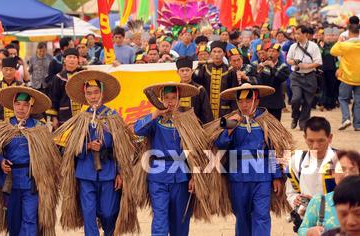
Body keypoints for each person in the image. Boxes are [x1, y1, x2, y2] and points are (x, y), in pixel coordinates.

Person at [55, 70, 138, 236]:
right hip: (85, 174)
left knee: (108, 213)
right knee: (89, 214)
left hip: (109, 173)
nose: (93, 97)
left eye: (96, 92)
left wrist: (120, 172)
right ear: (84, 95)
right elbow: (69, 147)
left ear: (102, 93)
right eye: (89, 93)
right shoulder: (80, 118)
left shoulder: (113, 117)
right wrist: (86, 146)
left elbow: (122, 148)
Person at [209, 83, 293, 236]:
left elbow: (276, 150)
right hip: (238, 177)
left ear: (257, 101)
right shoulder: (231, 120)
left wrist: (277, 176)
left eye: (248, 101)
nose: (244, 105)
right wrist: (228, 131)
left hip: (262, 178)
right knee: (241, 216)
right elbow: (219, 145)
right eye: (240, 102)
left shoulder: (268, 122)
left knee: (261, 216)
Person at [0, 86, 61, 236]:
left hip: (32, 182)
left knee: (29, 219)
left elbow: (50, 157)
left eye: (25, 105)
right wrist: (1, 162)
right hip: (10, 183)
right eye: (18, 104)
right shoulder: (3, 127)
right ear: (13, 105)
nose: (21, 108)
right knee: (13, 221)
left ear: (31, 107)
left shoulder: (39, 128)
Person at [134, 82, 214, 236]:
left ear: (179, 99)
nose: (170, 102)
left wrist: (195, 177)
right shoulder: (155, 121)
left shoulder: (189, 120)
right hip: (158, 176)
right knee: (160, 220)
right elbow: (138, 130)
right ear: (161, 100)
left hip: (182, 177)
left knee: (180, 222)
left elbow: (198, 152)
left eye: (173, 98)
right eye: (166, 98)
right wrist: (155, 113)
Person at [286, 117, 337, 220]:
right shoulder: (296, 161)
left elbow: (351, 197)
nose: (315, 146)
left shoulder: (343, 162)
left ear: (330, 137)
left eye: (321, 141)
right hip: (307, 222)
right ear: (305, 137)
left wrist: (317, 204)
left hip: (334, 221)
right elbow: (291, 192)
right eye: (310, 141)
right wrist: (296, 201)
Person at [299, 150, 360, 236]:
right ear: (332, 173)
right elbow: (302, 230)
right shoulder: (319, 201)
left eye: (353, 170)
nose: (347, 174)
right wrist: (310, 232)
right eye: (342, 169)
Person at [287, 25, 323, 129]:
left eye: (298, 33)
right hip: (296, 76)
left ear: (305, 34)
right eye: (295, 33)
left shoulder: (313, 46)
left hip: (310, 76)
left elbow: (318, 62)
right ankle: (295, 116)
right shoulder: (293, 46)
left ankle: (303, 123)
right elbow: (288, 60)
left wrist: (307, 66)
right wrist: (294, 62)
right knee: (295, 99)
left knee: (308, 102)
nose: (296, 36)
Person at [194, 41, 238, 119]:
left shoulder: (230, 70)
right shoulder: (204, 68)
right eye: (214, 52)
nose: (217, 54)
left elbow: (234, 93)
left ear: (224, 54)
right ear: (211, 54)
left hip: (225, 111)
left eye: (219, 51)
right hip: (207, 110)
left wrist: (234, 112)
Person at [331, 24, 360, 131]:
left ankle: (346, 119)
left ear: (349, 33)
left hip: (347, 76)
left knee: (343, 99)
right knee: (358, 101)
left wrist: (339, 41)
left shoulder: (344, 45)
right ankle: (357, 125)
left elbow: (333, 51)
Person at [46, 48, 82, 129]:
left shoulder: (84, 75)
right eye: (69, 57)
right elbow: (53, 98)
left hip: (83, 116)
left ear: (78, 60)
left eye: (74, 57)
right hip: (65, 116)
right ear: (64, 60)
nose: (72, 60)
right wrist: (54, 118)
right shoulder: (58, 78)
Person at [258, 43, 291, 121]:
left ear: (278, 54)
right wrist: (258, 71)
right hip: (264, 101)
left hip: (276, 101)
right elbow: (258, 80)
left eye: (273, 51)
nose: (271, 53)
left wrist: (273, 67)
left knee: (276, 125)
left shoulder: (282, 66)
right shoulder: (262, 64)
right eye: (269, 51)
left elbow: (282, 78)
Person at [176, 56, 213, 124]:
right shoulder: (175, 89)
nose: (185, 73)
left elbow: (206, 113)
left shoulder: (199, 89)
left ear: (192, 71)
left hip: (196, 126)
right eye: (182, 70)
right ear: (177, 72)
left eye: (187, 70)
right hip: (178, 126)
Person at [319, 28, 340, 111]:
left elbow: (338, 58)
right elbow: (319, 56)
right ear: (324, 36)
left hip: (333, 69)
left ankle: (331, 103)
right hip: (323, 69)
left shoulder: (335, 46)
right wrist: (321, 47)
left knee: (332, 86)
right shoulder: (321, 45)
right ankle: (324, 103)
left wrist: (338, 68)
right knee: (324, 86)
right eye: (327, 36)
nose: (329, 37)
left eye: (331, 35)